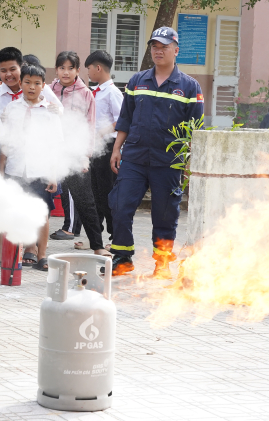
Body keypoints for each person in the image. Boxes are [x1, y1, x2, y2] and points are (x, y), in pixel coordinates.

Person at [109, 26, 204, 278]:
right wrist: (117, 149)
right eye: (154, 46)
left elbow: (196, 131)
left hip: (168, 161)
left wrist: (189, 163)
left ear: (176, 50)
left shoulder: (190, 87)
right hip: (135, 158)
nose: (158, 51)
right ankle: (122, 258)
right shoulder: (137, 81)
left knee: (165, 213)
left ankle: (162, 263)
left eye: (163, 46)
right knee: (119, 205)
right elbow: (125, 119)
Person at [0, 64, 61, 271]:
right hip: (15, 169)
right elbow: (5, 140)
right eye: (27, 82)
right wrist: (1, 168)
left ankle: (42, 255)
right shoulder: (11, 108)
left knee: (42, 214)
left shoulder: (50, 112)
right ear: (21, 83)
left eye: (36, 83)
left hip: (40, 170)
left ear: (44, 85)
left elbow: (55, 145)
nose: (31, 87)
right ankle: (14, 253)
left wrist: (53, 174)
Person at [50, 51, 109, 257]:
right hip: (49, 152)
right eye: (62, 68)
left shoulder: (86, 94)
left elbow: (90, 127)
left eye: (70, 68)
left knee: (85, 200)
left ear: (77, 70)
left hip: (75, 153)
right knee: (38, 197)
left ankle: (97, 245)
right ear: (56, 69)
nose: (66, 72)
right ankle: (31, 249)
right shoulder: (48, 90)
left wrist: (86, 155)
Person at [85, 50, 122, 247]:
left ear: (98, 68)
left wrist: (100, 133)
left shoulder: (112, 93)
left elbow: (121, 121)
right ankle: (97, 238)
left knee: (109, 193)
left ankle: (115, 237)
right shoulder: (96, 91)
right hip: (96, 148)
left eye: (89, 69)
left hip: (108, 147)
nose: (88, 73)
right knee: (96, 193)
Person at [0, 47, 61, 117]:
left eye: (12, 69)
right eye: (3, 71)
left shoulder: (40, 88)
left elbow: (61, 110)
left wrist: (57, 110)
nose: (8, 74)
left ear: (21, 67)